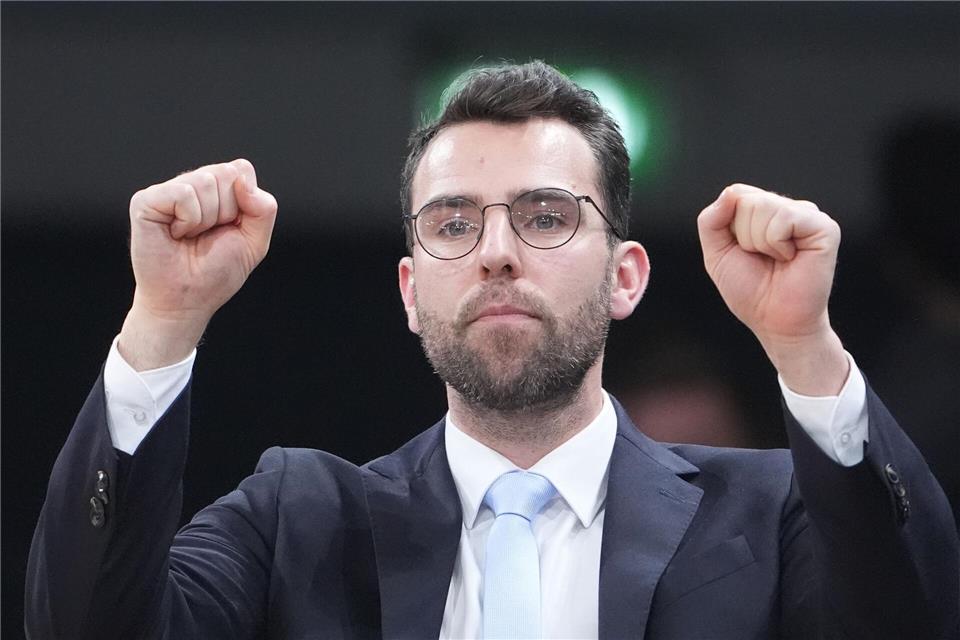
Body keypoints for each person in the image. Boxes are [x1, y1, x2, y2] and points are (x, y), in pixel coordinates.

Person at [25, 61, 957, 639]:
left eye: (546, 217)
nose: (498, 250)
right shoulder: (296, 523)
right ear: (409, 293)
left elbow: (916, 616)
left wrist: (806, 348)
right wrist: (160, 323)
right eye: (454, 222)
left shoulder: (769, 516)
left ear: (625, 276)